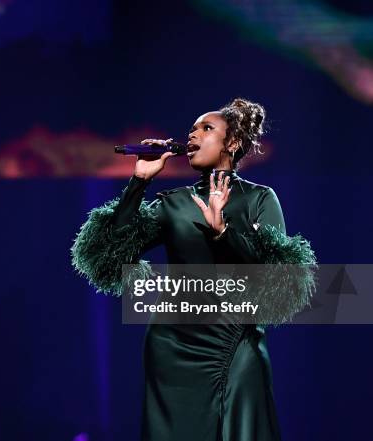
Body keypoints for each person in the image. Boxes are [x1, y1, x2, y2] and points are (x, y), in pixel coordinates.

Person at [71, 98, 317, 440]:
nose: (193, 134)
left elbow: (280, 280)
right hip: (171, 345)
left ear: (232, 143)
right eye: (192, 129)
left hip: (233, 341)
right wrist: (138, 183)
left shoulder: (259, 199)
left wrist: (224, 234)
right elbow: (111, 253)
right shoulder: (173, 202)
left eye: (207, 128)